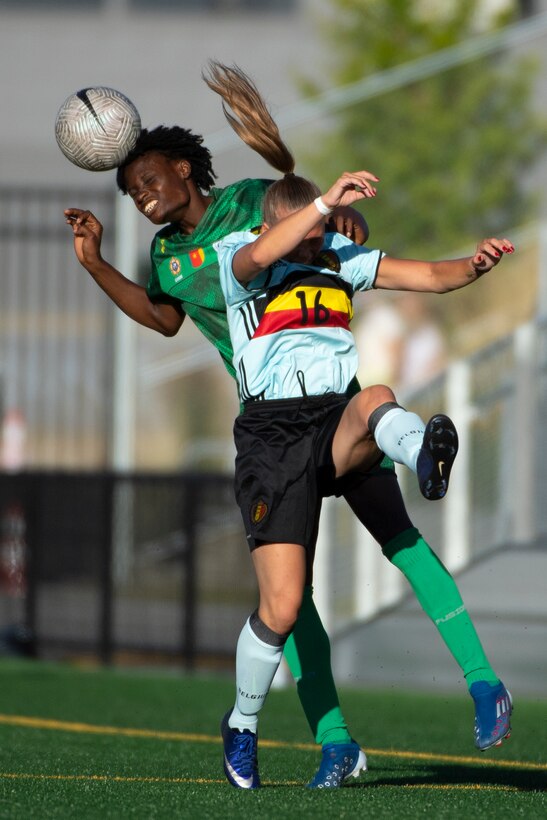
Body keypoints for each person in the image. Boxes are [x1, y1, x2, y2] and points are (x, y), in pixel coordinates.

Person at [64, 61, 512, 788]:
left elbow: (333, 232)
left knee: (387, 460)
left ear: (185, 170)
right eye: (133, 189)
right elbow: (170, 312)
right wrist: (94, 263)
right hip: (268, 426)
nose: (144, 197)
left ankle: (424, 470)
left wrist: (339, 220)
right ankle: (318, 735)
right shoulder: (197, 258)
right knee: (285, 598)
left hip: (333, 409)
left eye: (150, 181)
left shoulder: (255, 206)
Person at [217, 165, 514, 789]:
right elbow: (259, 256)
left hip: (336, 420)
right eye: (306, 232)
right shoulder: (239, 259)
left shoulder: (336, 255)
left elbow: (430, 275)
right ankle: (244, 724)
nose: (314, 244)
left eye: (319, 234)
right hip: (272, 439)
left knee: (375, 397)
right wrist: (325, 201)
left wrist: (475, 265)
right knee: (284, 604)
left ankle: (423, 457)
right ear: (272, 225)